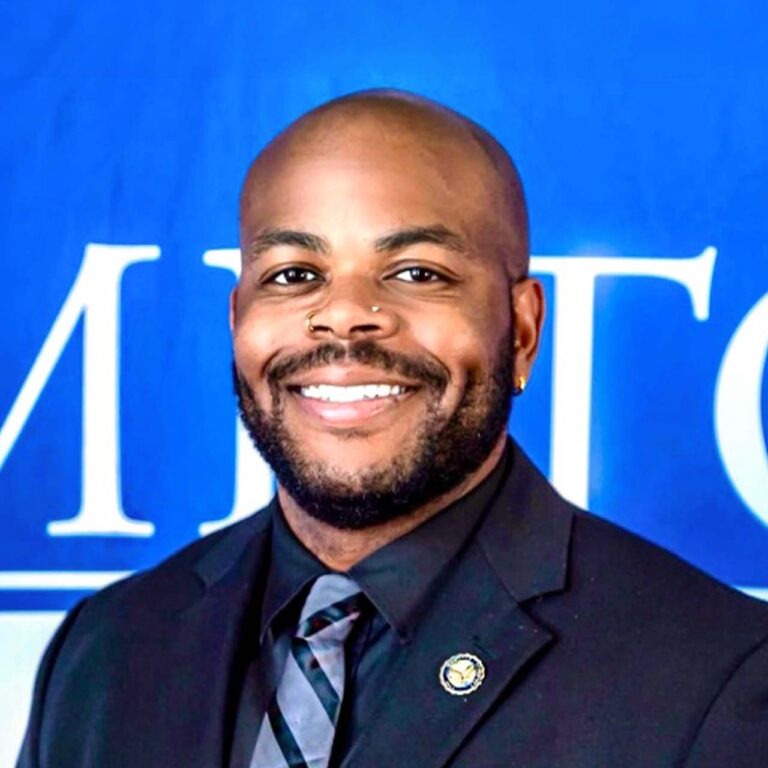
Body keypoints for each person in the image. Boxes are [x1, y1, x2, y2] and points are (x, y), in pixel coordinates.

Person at [17, 90, 768, 768]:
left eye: (416, 272)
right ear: (237, 318)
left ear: (522, 331)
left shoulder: (718, 680)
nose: (345, 314)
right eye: (293, 274)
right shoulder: (104, 652)